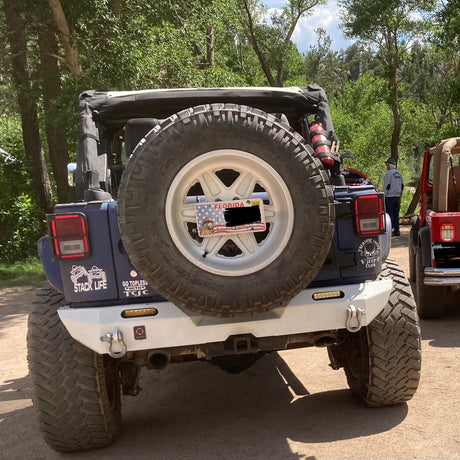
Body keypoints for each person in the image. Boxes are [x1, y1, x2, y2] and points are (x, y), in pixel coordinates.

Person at [383, 157, 404, 236]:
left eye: (387, 164)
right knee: (396, 214)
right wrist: (400, 197)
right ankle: (397, 230)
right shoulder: (399, 174)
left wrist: (383, 197)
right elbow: (402, 186)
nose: (386, 166)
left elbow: (387, 186)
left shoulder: (389, 174)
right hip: (397, 197)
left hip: (389, 197)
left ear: (389, 165)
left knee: (389, 214)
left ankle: (389, 231)